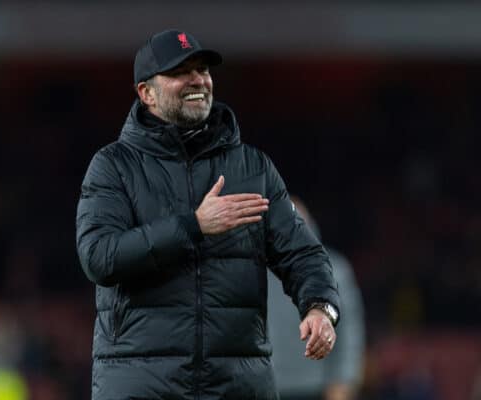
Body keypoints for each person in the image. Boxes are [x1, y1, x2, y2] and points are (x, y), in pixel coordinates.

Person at [75, 29, 340, 400]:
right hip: (141, 384)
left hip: (237, 385)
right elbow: (99, 257)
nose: (198, 80)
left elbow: (304, 253)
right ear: (146, 93)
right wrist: (193, 226)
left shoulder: (252, 167)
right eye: (180, 72)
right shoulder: (113, 167)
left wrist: (319, 307)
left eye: (202, 70)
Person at [268, 196, 366, 400]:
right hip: (263, 385)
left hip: (317, 387)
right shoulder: (255, 271)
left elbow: (350, 333)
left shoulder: (334, 270)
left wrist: (343, 382)